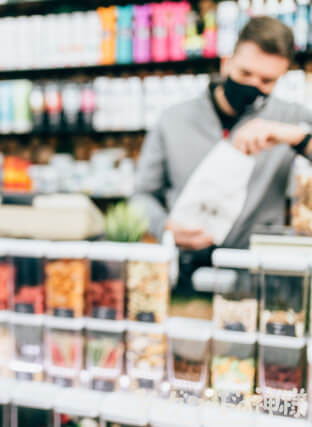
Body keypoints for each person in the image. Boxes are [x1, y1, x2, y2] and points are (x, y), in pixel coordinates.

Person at [131, 16, 312, 291]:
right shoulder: (173, 120)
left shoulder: (290, 118)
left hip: (259, 279)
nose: (254, 85)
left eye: (267, 81)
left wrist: (297, 137)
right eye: (245, 74)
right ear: (226, 63)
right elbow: (141, 195)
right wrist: (164, 226)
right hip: (187, 275)